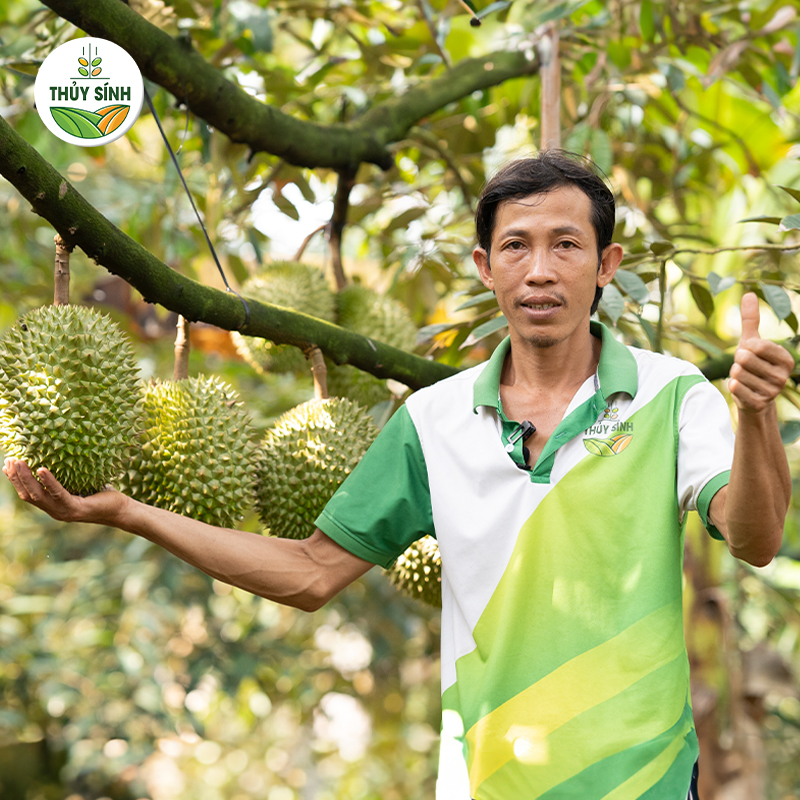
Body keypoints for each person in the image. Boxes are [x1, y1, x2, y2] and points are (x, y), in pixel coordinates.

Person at [3, 150, 794, 800]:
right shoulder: (432, 420)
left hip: (645, 785)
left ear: (606, 265)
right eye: (517, 246)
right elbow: (312, 573)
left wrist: (756, 416)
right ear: (487, 266)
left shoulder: (674, 393)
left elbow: (755, 539)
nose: (541, 270)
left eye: (566, 244)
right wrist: (126, 512)